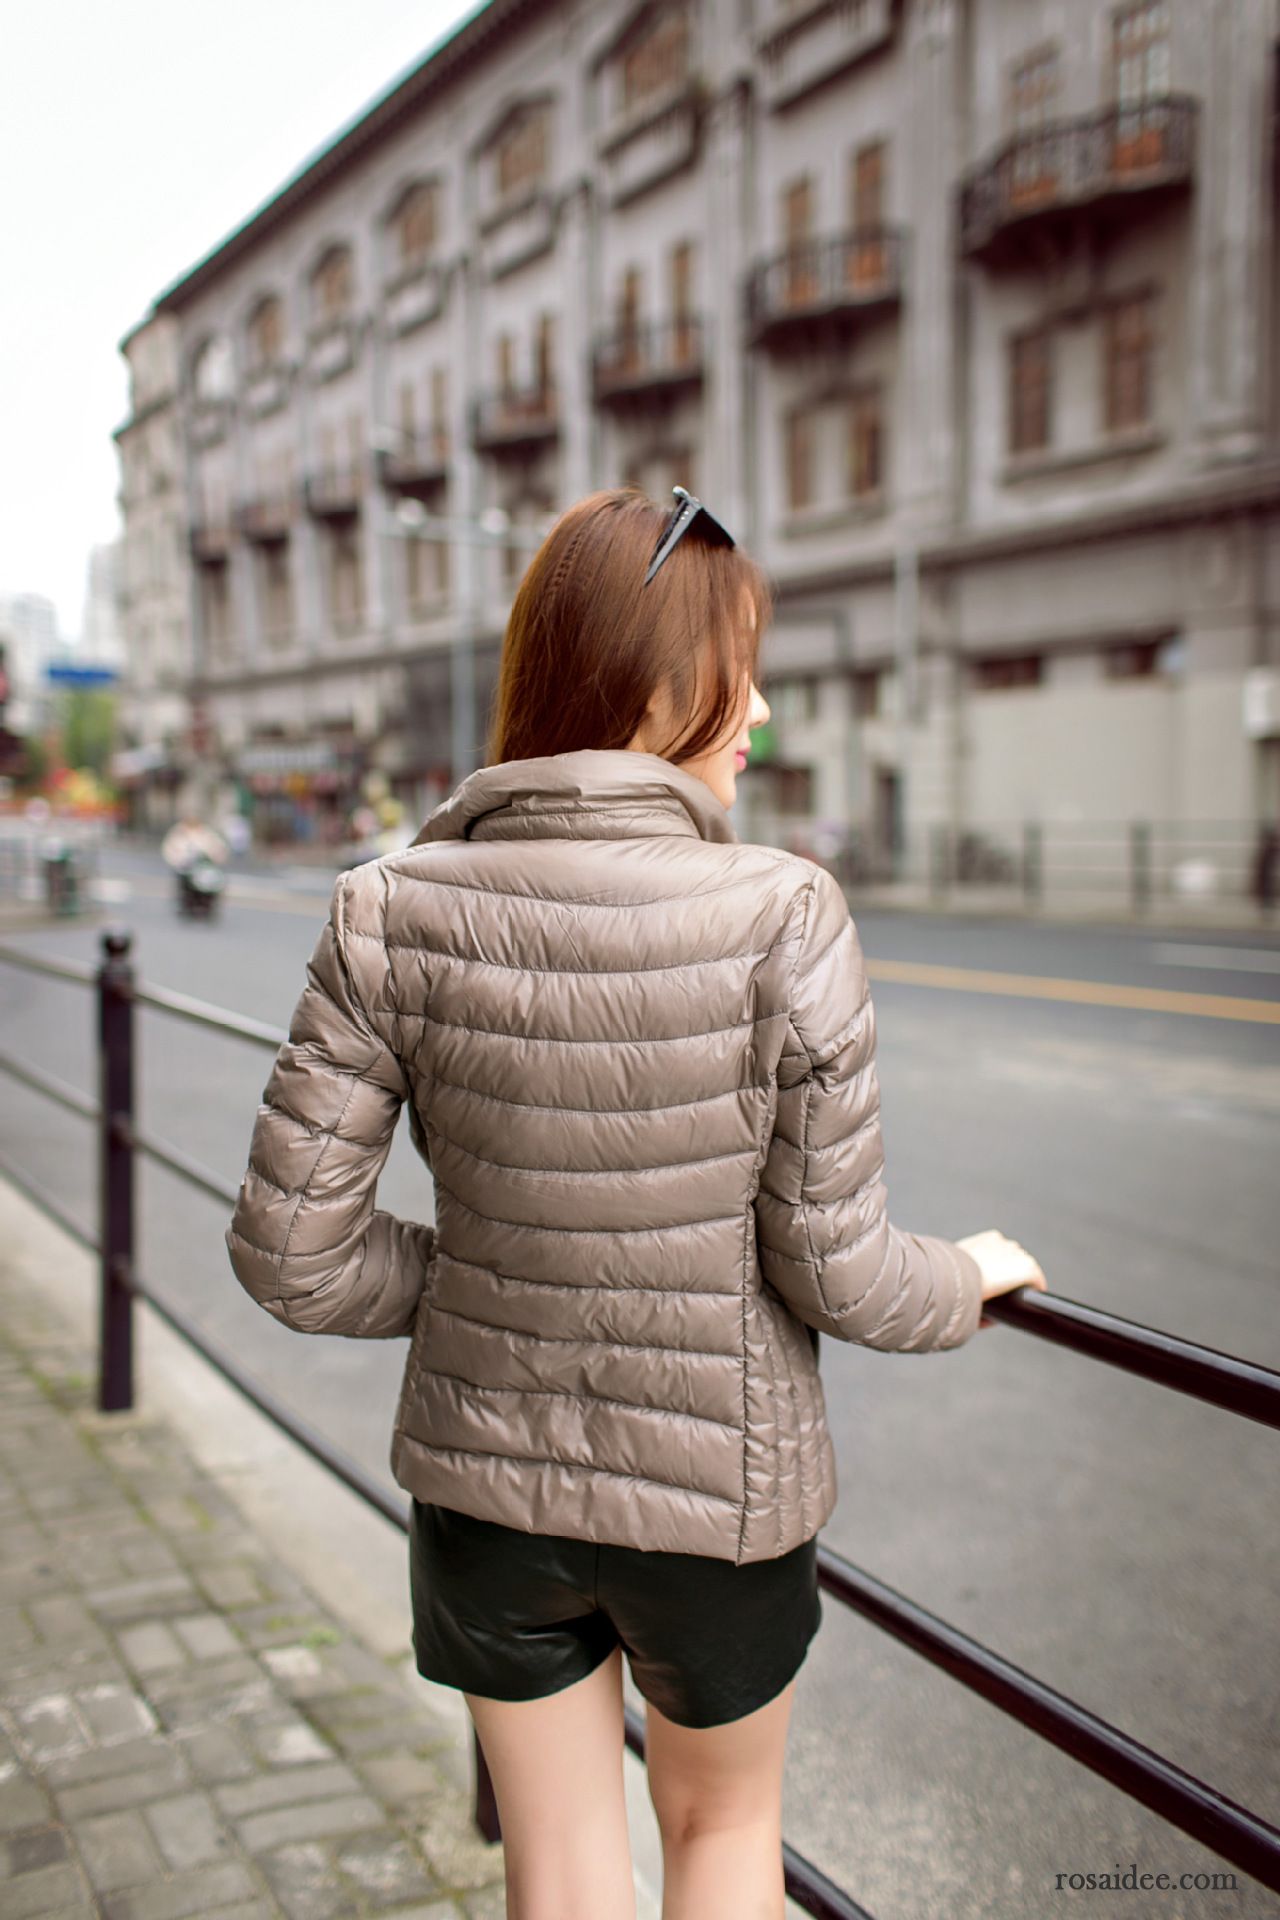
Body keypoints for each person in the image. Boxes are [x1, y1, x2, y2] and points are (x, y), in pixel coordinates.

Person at [224, 485, 1046, 1920]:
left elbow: (293, 1254)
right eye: (743, 665)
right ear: (663, 686)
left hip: (483, 1495)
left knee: (557, 1875)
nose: (765, 708)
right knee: (725, 1848)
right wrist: (967, 1281)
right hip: (717, 1503)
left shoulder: (386, 906)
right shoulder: (784, 911)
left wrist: (496, 1276)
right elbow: (842, 1271)